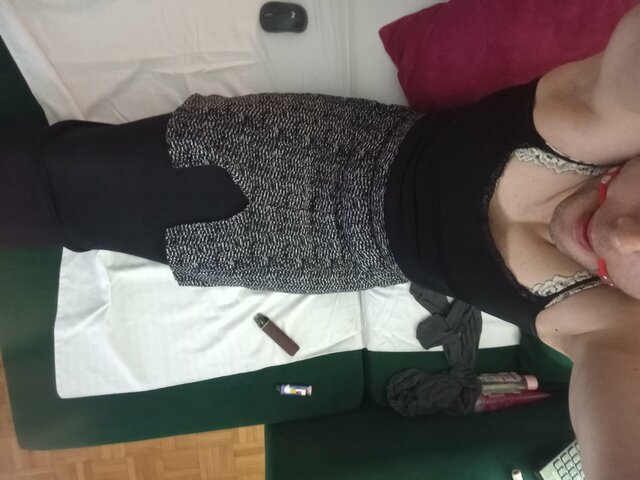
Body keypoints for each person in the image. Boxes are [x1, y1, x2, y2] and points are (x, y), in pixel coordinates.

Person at [2, 5, 640, 479]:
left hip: (311, 255)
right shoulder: (604, 118)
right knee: (60, 181)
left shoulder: (615, 331)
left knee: (74, 207)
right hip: (309, 149)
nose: (625, 234)